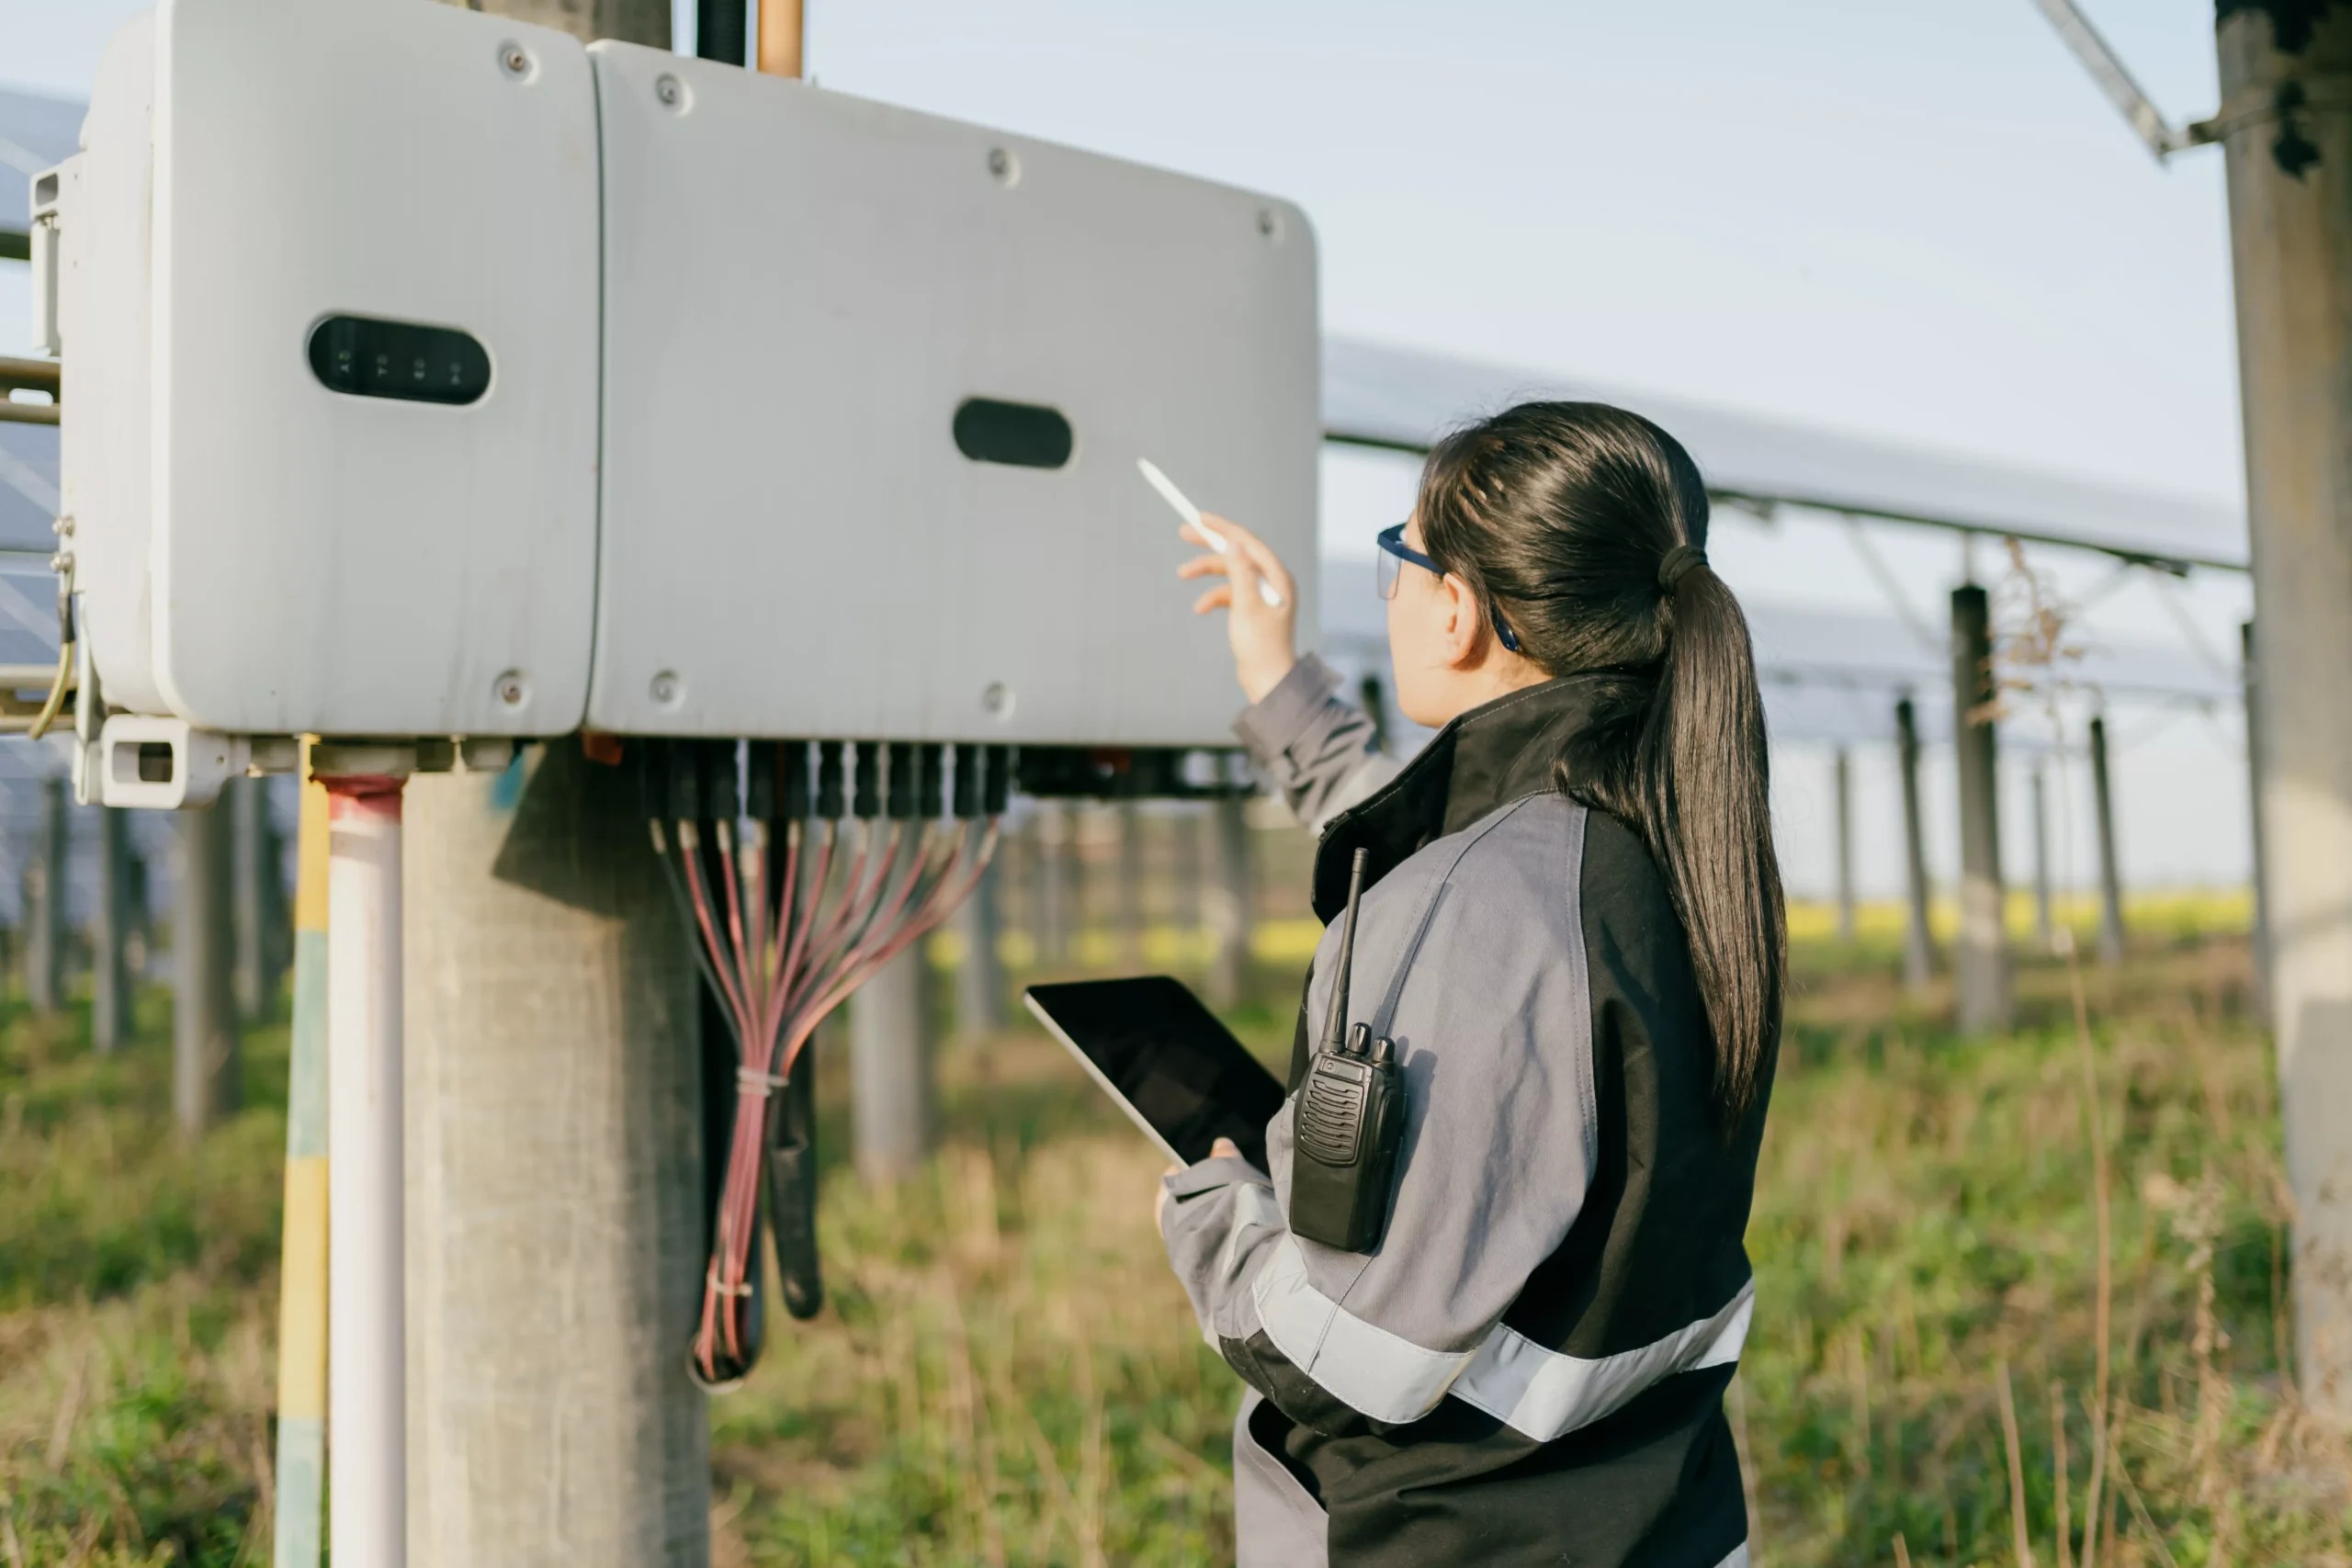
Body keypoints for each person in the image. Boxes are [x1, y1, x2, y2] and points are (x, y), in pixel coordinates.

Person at [1157, 402, 1782, 1568]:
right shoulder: (1671, 841)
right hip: (1664, 1527)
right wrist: (1278, 678)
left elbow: (1342, 1354)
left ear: (1457, 609)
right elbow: (1439, 836)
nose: (1388, 590)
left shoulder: (1486, 905)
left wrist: (1218, 1215)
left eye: (1399, 556)